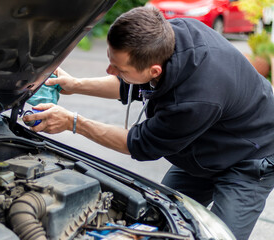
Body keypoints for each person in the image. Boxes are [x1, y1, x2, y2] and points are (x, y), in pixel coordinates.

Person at [22, 6, 274, 239]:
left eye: (118, 68)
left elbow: (138, 143)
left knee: (220, 235)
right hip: (201, 142)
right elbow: (131, 82)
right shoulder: (165, 37)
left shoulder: (192, 101)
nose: (110, 70)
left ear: (155, 71)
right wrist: (75, 85)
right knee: (162, 219)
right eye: (111, 61)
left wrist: (71, 122)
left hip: (249, 158)